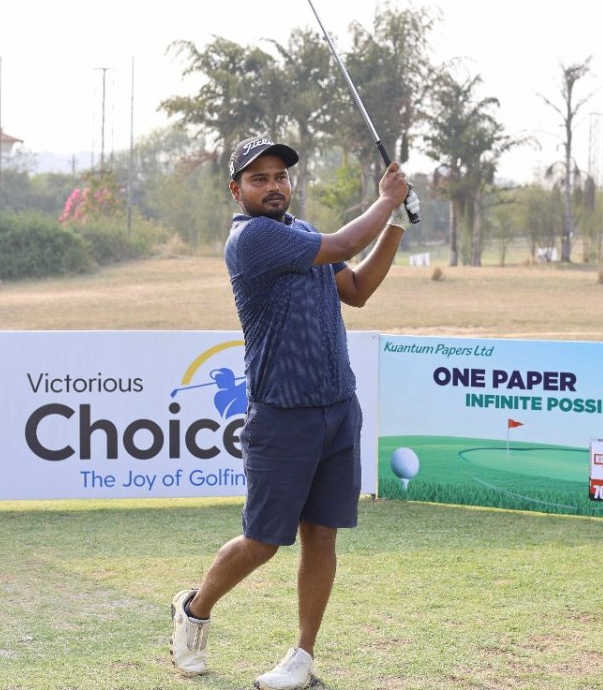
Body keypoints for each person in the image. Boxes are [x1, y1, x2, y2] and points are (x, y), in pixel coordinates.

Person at [171, 136, 419, 690]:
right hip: (282, 414)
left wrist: (396, 224)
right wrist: (387, 200)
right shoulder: (251, 239)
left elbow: (357, 289)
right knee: (263, 541)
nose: (273, 186)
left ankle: (303, 657)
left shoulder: (303, 232)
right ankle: (194, 609)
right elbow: (345, 242)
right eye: (258, 178)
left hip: (337, 407)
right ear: (236, 190)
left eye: (280, 176)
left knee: (322, 537)